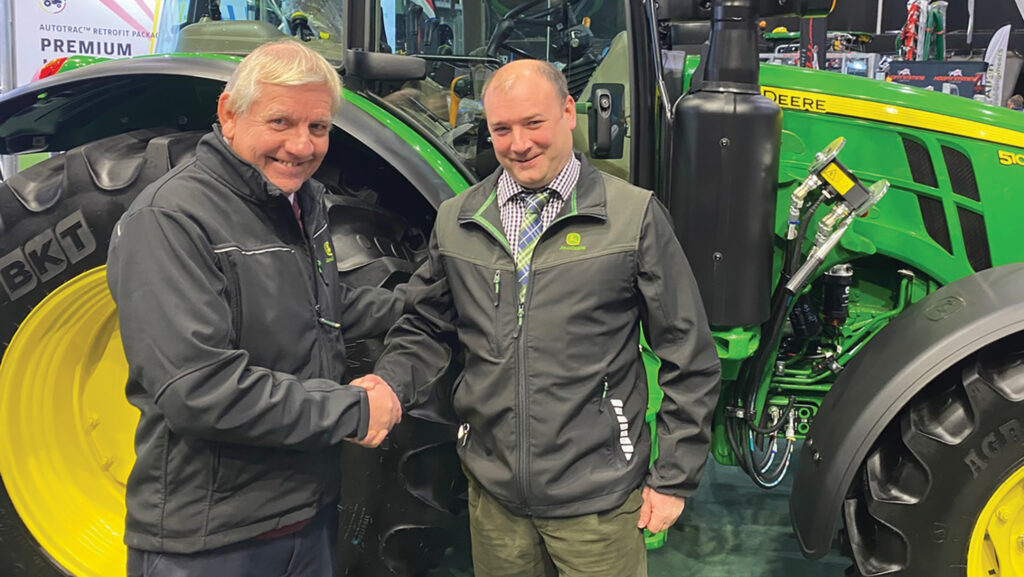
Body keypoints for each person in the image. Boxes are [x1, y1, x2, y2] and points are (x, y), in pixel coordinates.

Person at [358, 60, 721, 577]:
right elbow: (426, 326)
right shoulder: (458, 221)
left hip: (596, 501)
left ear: (569, 112)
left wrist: (673, 477)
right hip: (495, 502)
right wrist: (392, 383)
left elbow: (689, 354)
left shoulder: (632, 217)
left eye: (534, 124)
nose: (518, 144)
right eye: (501, 129)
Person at [107, 40, 403, 577]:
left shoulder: (299, 199)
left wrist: (416, 305)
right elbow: (199, 390)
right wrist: (354, 410)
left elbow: (320, 311)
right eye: (281, 122)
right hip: (211, 543)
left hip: (304, 522)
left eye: (318, 128)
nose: (301, 145)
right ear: (229, 113)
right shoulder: (170, 220)